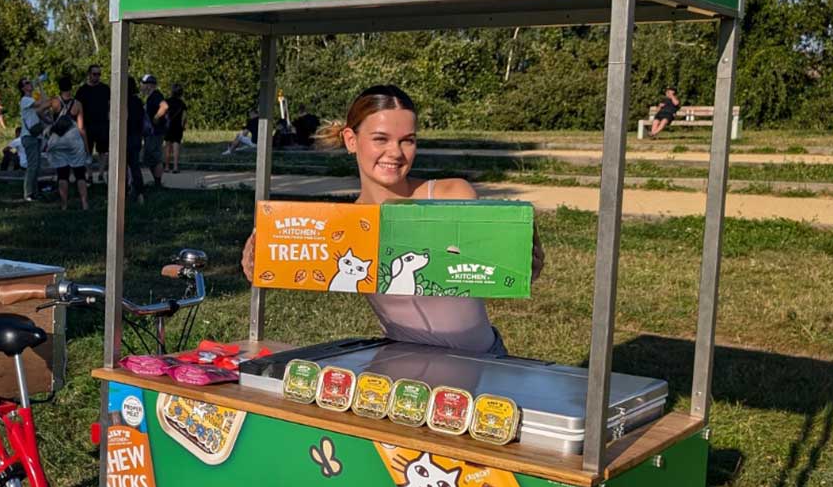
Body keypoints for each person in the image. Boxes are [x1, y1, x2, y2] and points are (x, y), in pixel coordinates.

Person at [241, 85, 545, 357]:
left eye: (407, 141)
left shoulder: (450, 195)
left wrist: (522, 262)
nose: (395, 153)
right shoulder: (343, 225)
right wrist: (258, 262)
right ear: (351, 139)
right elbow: (288, 266)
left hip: (482, 361)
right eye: (380, 139)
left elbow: (494, 269)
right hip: (402, 365)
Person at [42, 95, 89, 211]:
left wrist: (50, 122)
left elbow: (38, 110)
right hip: (73, 140)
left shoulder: (54, 101)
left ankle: (64, 205)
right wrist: (86, 147)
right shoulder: (77, 104)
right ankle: (84, 203)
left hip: (58, 140)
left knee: (62, 175)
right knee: (80, 174)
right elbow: (81, 127)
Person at [74, 64, 110, 184]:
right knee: (87, 151)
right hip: (87, 126)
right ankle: (89, 175)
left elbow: (111, 105)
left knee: (103, 151)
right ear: (89, 74)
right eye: (95, 74)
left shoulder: (105, 89)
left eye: (99, 74)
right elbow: (76, 108)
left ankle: (101, 174)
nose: (97, 76)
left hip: (102, 125)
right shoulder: (82, 90)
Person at [18, 77, 46, 202]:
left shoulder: (31, 99)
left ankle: (35, 192)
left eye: (30, 82)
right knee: (32, 166)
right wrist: (39, 85)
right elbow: (43, 103)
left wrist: (40, 87)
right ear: (23, 88)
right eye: (27, 83)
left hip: (36, 136)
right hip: (29, 137)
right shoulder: (25, 100)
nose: (30, 84)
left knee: (37, 166)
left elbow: (44, 102)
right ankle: (28, 193)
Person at [140, 74, 168, 189]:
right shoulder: (151, 97)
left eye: (142, 84)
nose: (141, 86)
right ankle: (156, 181)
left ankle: (158, 183)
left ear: (149, 85)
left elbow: (164, 106)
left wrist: (156, 117)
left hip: (155, 132)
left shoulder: (156, 95)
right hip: (151, 132)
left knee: (155, 157)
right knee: (150, 157)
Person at [125, 76, 148, 204]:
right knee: (135, 166)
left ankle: (122, 194)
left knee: (121, 168)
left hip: (124, 137)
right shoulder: (138, 101)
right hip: (136, 137)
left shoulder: (120, 101)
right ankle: (140, 193)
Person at [163, 83, 187, 174]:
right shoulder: (182, 103)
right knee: (176, 145)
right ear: (181, 93)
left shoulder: (166, 101)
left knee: (167, 146)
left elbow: (163, 114)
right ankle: (176, 167)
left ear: (171, 92)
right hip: (177, 127)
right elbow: (184, 116)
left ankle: (167, 166)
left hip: (168, 126)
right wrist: (183, 125)